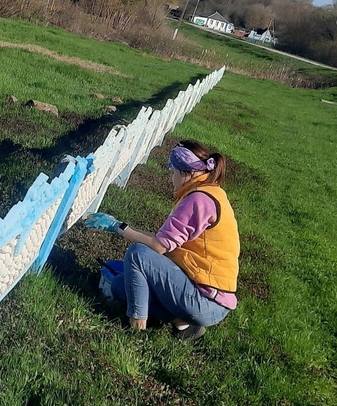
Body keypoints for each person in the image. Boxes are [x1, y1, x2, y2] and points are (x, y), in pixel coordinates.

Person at [85, 139, 239, 342]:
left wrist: (117, 227)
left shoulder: (198, 199)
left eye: (172, 172)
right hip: (203, 295)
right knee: (121, 286)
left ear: (187, 172)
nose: (170, 178)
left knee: (137, 255)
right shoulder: (209, 192)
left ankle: (136, 331)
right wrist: (120, 224)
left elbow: (158, 246)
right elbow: (162, 240)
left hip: (206, 300)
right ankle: (183, 325)